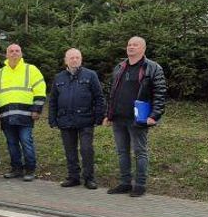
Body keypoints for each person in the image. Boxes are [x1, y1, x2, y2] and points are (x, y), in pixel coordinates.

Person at [103, 36, 166, 197]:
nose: (131, 47)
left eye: (135, 45)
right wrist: (108, 114)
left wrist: (154, 116)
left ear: (143, 49)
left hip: (139, 118)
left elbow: (160, 93)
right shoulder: (120, 67)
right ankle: (125, 183)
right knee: (122, 152)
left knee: (140, 152)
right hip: (118, 117)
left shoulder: (153, 68)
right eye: (129, 44)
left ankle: (140, 185)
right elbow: (112, 92)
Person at [47, 48, 105, 190]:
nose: (74, 60)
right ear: (66, 60)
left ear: (81, 59)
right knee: (70, 150)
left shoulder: (91, 75)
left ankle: (89, 178)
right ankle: (73, 177)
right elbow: (53, 100)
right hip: (65, 120)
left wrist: (99, 116)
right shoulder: (58, 77)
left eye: (77, 57)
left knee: (86, 149)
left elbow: (99, 97)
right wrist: (52, 119)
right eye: (71, 58)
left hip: (85, 119)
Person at [0, 43, 46, 182]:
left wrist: (37, 109)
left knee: (26, 142)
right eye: (11, 51)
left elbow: (40, 89)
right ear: (6, 54)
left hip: (25, 115)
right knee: (11, 143)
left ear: (21, 53)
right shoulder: (0, 73)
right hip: (6, 115)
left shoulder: (31, 69)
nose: (14, 53)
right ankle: (16, 169)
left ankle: (30, 169)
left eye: (17, 51)